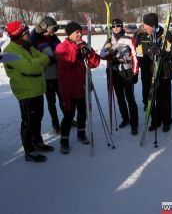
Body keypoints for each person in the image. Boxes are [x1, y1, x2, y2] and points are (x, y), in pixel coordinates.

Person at [4, 21, 53, 162]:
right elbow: (29, 69)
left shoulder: (28, 46)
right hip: (26, 92)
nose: (28, 36)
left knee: (37, 119)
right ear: (17, 36)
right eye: (25, 34)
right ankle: (29, 151)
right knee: (28, 122)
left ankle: (37, 142)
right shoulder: (8, 52)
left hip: (38, 88)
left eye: (27, 33)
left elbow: (45, 58)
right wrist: (40, 63)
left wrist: (39, 62)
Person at [55, 22, 100, 154]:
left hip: (82, 85)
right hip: (68, 87)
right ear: (69, 34)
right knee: (68, 115)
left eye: (80, 32)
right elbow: (67, 63)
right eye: (76, 32)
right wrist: (77, 50)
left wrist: (89, 53)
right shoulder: (61, 47)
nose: (79, 34)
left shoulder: (82, 45)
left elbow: (94, 63)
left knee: (82, 112)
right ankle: (64, 140)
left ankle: (81, 133)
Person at [100, 18, 140, 135]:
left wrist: (135, 72)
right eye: (114, 26)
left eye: (118, 26)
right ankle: (125, 118)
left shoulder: (128, 39)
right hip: (115, 73)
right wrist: (110, 52)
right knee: (120, 98)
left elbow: (135, 56)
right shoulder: (109, 40)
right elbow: (102, 55)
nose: (116, 28)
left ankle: (134, 123)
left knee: (130, 98)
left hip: (126, 72)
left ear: (122, 27)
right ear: (111, 28)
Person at [140, 13, 172, 132]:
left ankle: (166, 121)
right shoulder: (143, 36)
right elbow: (140, 54)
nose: (144, 28)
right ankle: (155, 120)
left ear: (153, 25)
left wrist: (160, 52)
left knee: (164, 99)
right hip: (149, 72)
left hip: (163, 72)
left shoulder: (166, 35)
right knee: (151, 98)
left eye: (146, 26)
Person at [30, 16, 64, 134]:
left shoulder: (52, 37)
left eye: (54, 31)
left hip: (57, 73)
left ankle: (67, 120)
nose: (52, 34)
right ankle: (56, 124)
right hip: (45, 75)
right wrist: (49, 59)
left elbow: (60, 49)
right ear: (44, 28)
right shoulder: (34, 39)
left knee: (62, 98)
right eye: (51, 31)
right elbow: (33, 58)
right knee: (51, 102)